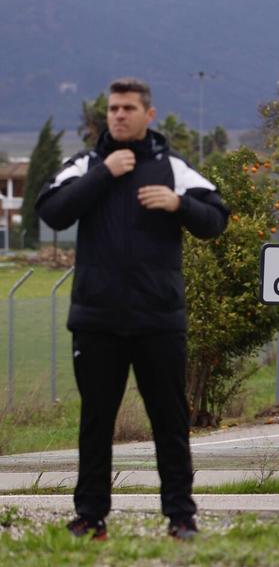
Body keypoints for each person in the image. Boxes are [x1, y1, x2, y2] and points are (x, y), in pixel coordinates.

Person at [36, 78, 229, 541]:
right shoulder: (86, 164)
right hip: (97, 319)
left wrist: (178, 204)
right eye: (112, 109)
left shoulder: (173, 168)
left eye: (127, 108)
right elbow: (53, 211)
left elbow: (216, 218)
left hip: (158, 320)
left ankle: (181, 517)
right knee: (96, 422)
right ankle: (90, 517)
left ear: (149, 114)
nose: (118, 115)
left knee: (170, 420)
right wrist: (105, 172)